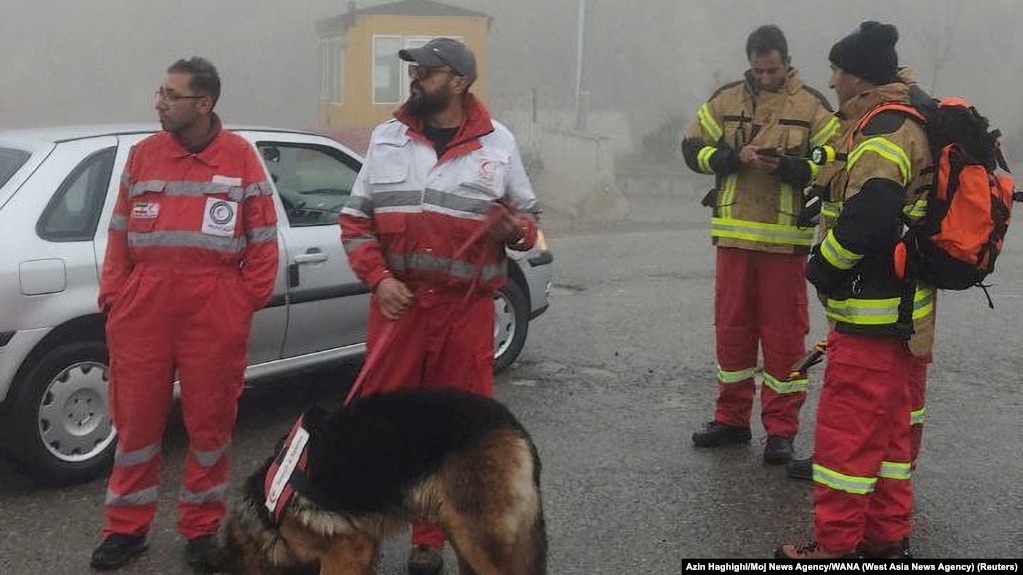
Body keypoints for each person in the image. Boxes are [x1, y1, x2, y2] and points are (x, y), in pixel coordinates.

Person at [338, 37, 538, 575]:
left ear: (460, 81)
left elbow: (529, 227)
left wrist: (514, 229)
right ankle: (366, 535)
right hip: (398, 307)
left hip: (465, 313)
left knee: (454, 432)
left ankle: (432, 540)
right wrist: (378, 280)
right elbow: (355, 221)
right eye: (415, 69)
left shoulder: (498, 145)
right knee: (382, 427)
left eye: (427, 70)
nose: (416, 77)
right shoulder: (387, 138)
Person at [91, 57, 279, 572]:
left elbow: (263, 243)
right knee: (135, 429)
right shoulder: (143, 155)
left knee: (210, 427)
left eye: (171, 95)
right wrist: (117, 295)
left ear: (204, 103)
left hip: (213, 309)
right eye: (160, 92)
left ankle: (200, 530)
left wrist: (242, 301)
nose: (160, 102)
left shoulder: (240, 159)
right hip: (143, 309)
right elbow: (119, 233)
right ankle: (125, 531)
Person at [776, 21, 936, 560]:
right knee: (891, 438)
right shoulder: (901, 121)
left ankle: (837, 547)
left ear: (857, 77)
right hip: (905, 318)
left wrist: (822, 266)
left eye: (837, 69)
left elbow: (870, 214)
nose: (831, 78)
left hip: (871, 319)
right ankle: (887, 539)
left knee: (846, 441)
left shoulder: (883, 133)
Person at [681, 25, 839, 463]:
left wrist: (789, 166)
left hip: (785, 244)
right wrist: (733, 158)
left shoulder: (811, 105)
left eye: (771, 70)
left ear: (786, 62)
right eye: (758, 69)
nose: (765, 77)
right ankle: (731, 420)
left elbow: (833, 160)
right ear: (749, 63)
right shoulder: (727, 99)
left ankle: (781, 431)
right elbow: (691, 148)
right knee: (732, 334)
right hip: (733, 238)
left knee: (784, 338)